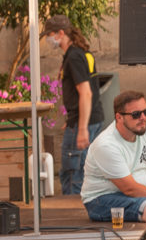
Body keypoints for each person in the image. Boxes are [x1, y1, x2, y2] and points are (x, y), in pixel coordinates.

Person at [42, 15, 104, 195]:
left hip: (83, 123)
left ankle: (72, 215)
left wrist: (82, 127)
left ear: (61, 33)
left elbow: (86, 92)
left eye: (50, 34)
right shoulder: (81, 53)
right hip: (87, 118)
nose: (48, 39)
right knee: (82, 170)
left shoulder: (74, 57)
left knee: (73, 174)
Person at [80, 90, 146, 227]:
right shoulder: (106, 145)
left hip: (136, 195)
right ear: (119, 117)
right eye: (136, 114)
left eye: (145, 112)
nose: (143, 118)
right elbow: (130, 189)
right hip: (102, 200)